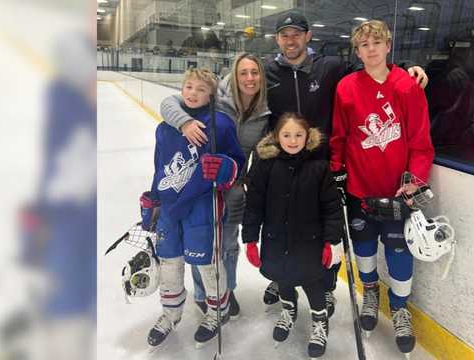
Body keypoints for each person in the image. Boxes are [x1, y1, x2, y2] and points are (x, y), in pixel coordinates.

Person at [162, 11, 429, 317]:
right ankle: (280, 278)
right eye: (284, 35)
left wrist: (407, 69)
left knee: (325, 230)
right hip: (282, 163)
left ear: (307, 37)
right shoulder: (265, 73)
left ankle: (326, 288)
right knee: (279, 223)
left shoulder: (329, 66)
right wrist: (184, 120)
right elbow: (207, 94)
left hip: (322, 165)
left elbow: (369, 67)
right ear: (277, 40)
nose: (291, 40)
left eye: (296, 34)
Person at [329, 20, 434, 355]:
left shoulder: (407, 86)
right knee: (363, 249)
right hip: (360, 191)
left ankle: (400, 307)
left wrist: (413, 181)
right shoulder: (346, 87)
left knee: (398, 251)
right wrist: (337, 175)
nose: (370, 49)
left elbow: (420, 143)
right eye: (363, 45)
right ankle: (370, 293)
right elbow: (339, 139)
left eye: (376, 42)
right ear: (357, 51)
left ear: (388, 46)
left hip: (396, 194)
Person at [159, 53, 271, 317]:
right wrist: (184, 121)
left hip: (233, 183)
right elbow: (169, 101)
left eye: (254, 73)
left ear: (261, 77)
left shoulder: (265, 110)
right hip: (203, 185)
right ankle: (201, 293)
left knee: (229, 243)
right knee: (204, 242)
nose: (249, 78)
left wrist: (248, 183)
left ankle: (225, 290)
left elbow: (261, 151)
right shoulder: (217, 97)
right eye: (243, 72)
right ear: (234, 74)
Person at [141, 68, 245, 348]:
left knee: (208, 265)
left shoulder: (220, 124)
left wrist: (226, 167)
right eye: (188, 87)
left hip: (202, 205)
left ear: (211, 94)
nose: (192, 93)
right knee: (170, 264)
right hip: (170, 207)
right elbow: (159, 165)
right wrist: (153, 198)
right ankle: (171, 314)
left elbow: (237, 161)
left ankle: (216, 311)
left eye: (200, 89)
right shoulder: (165, 127)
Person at [242, 113, 343, 358]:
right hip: (275, 240)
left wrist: (332, 240)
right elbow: (254, 205)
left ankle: (319, 322)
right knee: (283, 279)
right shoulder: (266, 167)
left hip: (309, 242)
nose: (293, 140)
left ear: (307, 137)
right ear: (277, 137)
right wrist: (250, 239)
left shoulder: (319, 168)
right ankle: (288, 310)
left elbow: (332, 207)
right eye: (286, 135)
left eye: (299, 135)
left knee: (313, 283)